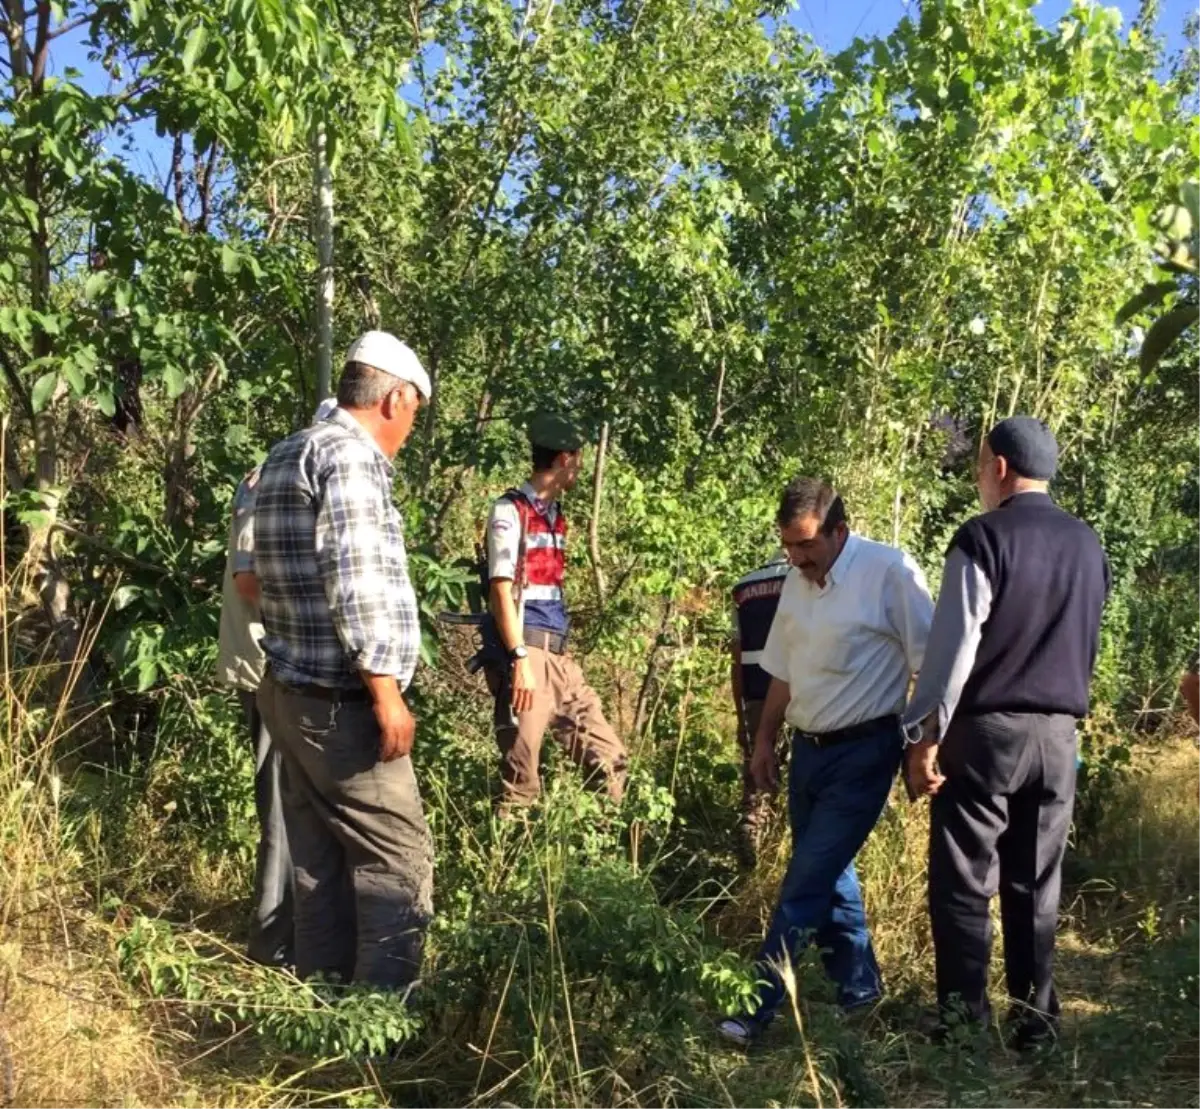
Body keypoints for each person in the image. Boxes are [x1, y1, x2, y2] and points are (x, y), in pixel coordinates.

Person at [903, 416, 1110, 1050]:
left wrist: (922, 733)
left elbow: (955, 648)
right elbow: (1088, 639)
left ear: (998, 467)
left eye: (977, 467)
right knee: (1036, 883)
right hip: (1058, 737)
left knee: (965, 883)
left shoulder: (982, 538)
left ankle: (964, 1026)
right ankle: (1036, 1026)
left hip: (987, 733)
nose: (976, 481)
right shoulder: (1088, 545)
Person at [718, 477, 934, 1045]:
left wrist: (924, 745)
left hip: (866, 751)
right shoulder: (795, 581)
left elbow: (931, 664)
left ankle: (754, 1009)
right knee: (829, 870)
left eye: (806, 546)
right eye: (788, 547)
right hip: (808, 754)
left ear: (839, 531)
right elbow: (782, 670)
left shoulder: (890, 573)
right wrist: (763, 742)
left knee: (805, 881)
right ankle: (861, 990)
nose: (796, 558)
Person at [253, 331, 434, 991]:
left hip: (287, 692)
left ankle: (322, 1007)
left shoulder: (286, 453)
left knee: (320, 862)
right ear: (394, 399)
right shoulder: (350, 461)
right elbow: (354, 585)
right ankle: (381, 1032)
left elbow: (254, 576)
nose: (410, 429)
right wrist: (386, 693)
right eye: (413, 413)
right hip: (342, 706)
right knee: (398, 863)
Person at [215, 398, 337, 967]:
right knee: (281, 808)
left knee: (298, 805)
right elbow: (247, 580)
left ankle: (295, 938)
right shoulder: (270, 481)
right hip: (271, 663)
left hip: (285, 660)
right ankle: (271, 946)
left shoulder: (294, 473)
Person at [484, 412, 628, 810]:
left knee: (610, 759)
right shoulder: (510, 511)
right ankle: (510, 864)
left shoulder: (555, 517)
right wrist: (519, 661)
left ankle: (602, 860)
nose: (580, 468)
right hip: (527, 653)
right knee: (521, 782)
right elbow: (501, 590)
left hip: (559, 657)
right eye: (579, 459)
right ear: (565, 459)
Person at [730, 553, 790, 867]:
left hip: (756, 695)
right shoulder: (803, 577)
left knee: (757, 779)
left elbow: (736, 658)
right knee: (796, 779)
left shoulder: (742, 588)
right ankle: (780, 857)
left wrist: (740, 716)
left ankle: (751, 856)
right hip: (799, 693)